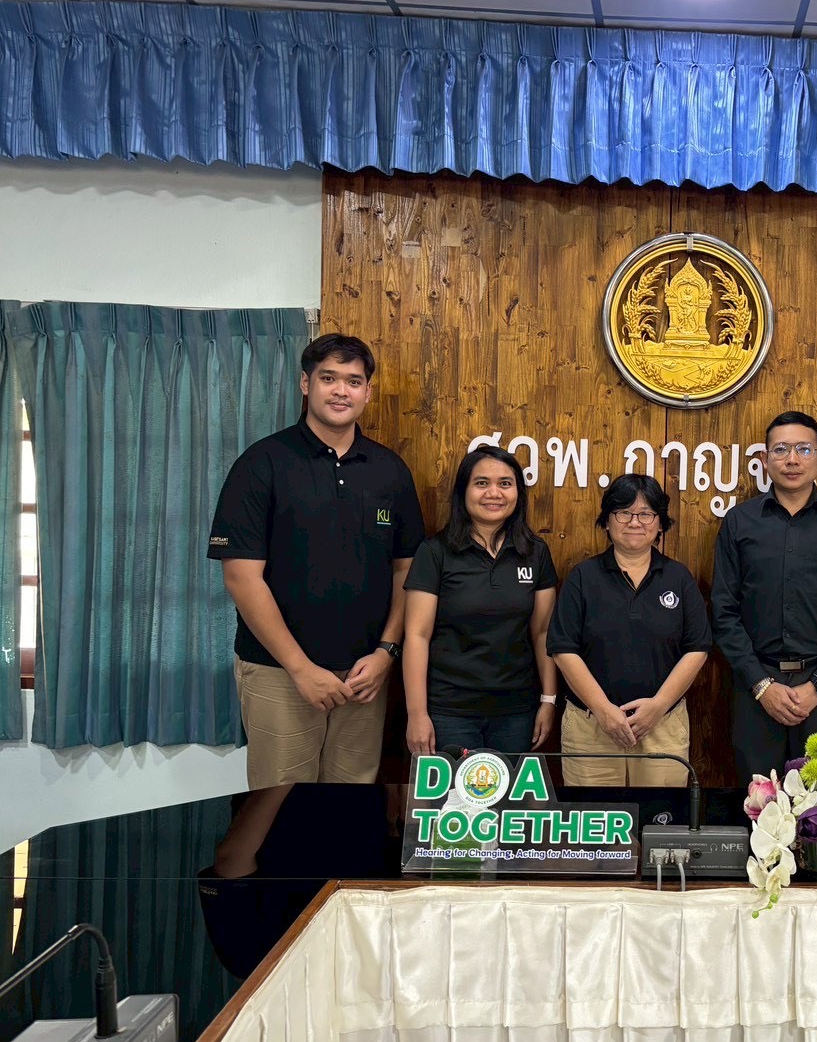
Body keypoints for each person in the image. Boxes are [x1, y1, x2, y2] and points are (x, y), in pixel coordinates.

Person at [209, 333, 424, 788]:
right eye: (329, 378)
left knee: (349, 807)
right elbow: (241, 578)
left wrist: (386, 653)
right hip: (280, 674)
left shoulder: (390, 471)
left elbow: (407, 571)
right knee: (281, 809)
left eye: (354, 381)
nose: (341, 391)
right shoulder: (262, 464)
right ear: (306, 384)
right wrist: (301, 669)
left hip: (364, 677)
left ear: (368, 392)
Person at [711, 410, 817, 780]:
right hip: (757, 685)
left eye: (803, 449)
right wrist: (761, 685)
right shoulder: (739, 522)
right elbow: (723, 612)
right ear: (764, 458)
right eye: (781, 449)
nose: (792, 459)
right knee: (757, 799)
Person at [546, 475, 710, 786]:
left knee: (659, 814)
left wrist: (658, 706)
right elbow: (563, 648)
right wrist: (603, 710)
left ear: (660, 523)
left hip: (662, 726)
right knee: (592, 816)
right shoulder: (583, 577)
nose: (635, 522)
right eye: (624, 512)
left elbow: (697, 648)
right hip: (590, 727)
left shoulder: (678, 577)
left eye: (646, 513)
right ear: (607, 521)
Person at [402, 446, 558, 756]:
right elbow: (417, 635)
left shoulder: (535, 552)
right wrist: (416, 714)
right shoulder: (435, 552)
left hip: (516, 711)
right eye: (482, 483)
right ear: (463, 491)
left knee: (512, 789)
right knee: (456, 790)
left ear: (518, 493)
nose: (494, 493)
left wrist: (549, 699)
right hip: (450, 711)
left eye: (505, 483)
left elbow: (543, 633)